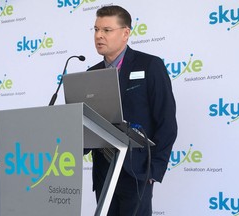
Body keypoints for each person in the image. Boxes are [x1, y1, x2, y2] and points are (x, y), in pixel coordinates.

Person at [87, 5, 177, 216]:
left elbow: (166, 121)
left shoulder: (150, 65)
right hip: (103, 173)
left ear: (125, 33)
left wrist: (154, 170)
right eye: (96, 29)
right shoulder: (91, 74)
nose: (99, 35)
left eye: (107, 30)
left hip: (137, 171)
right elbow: (88, 124)